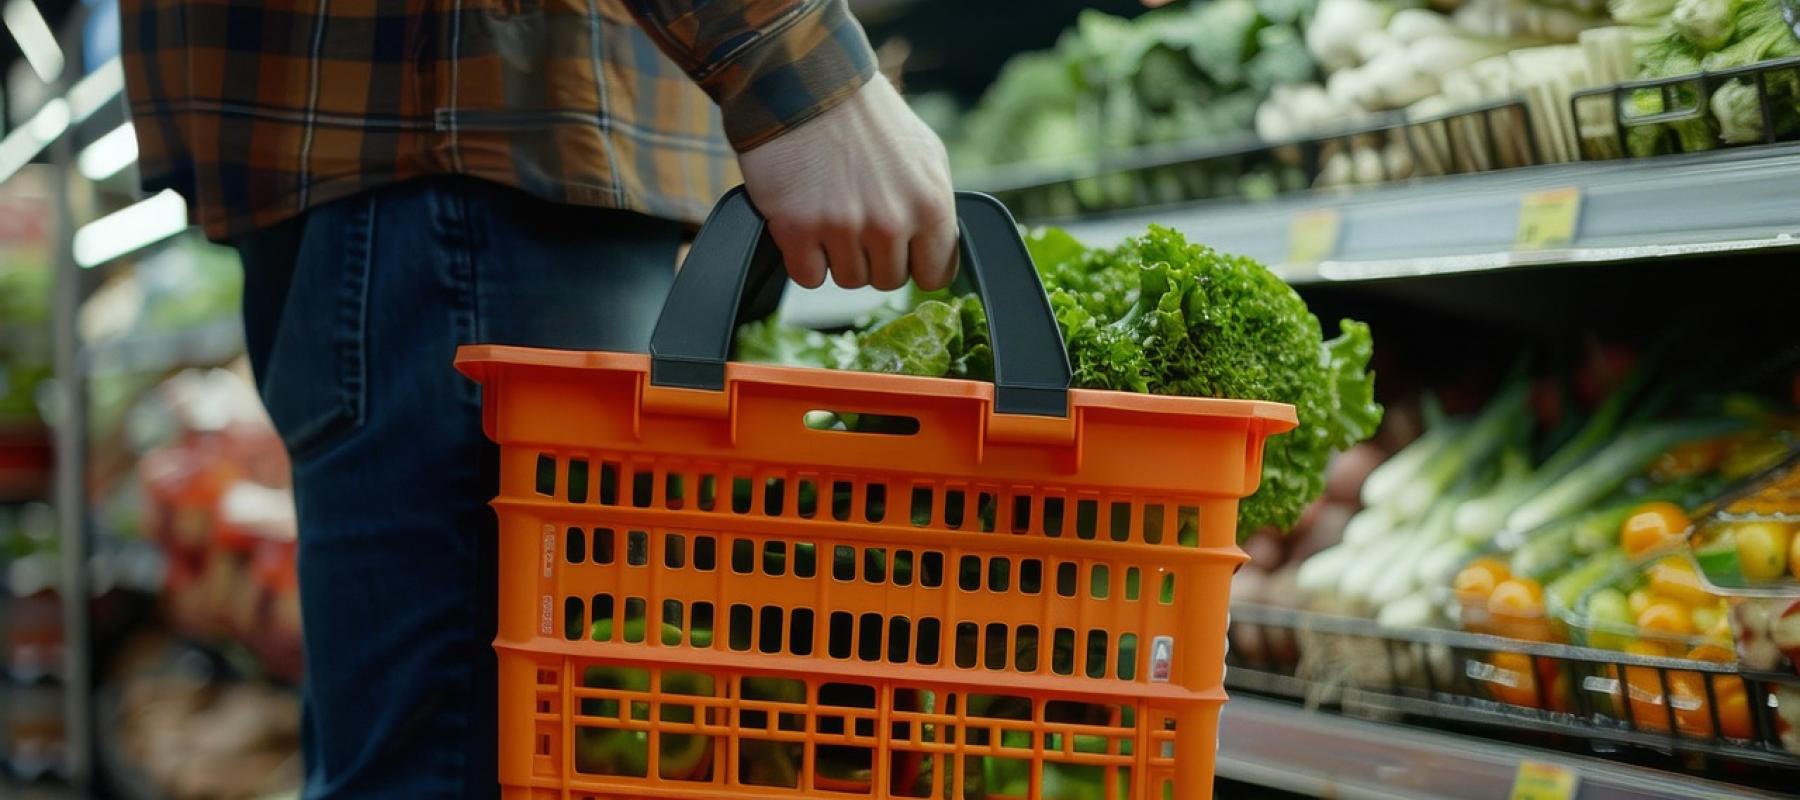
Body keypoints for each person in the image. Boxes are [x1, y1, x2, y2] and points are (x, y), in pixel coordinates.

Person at [119, 1, 954, 796]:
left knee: (455, 743)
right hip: (479, 137)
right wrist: (798, 66)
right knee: (481, 757)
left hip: (441, 158)